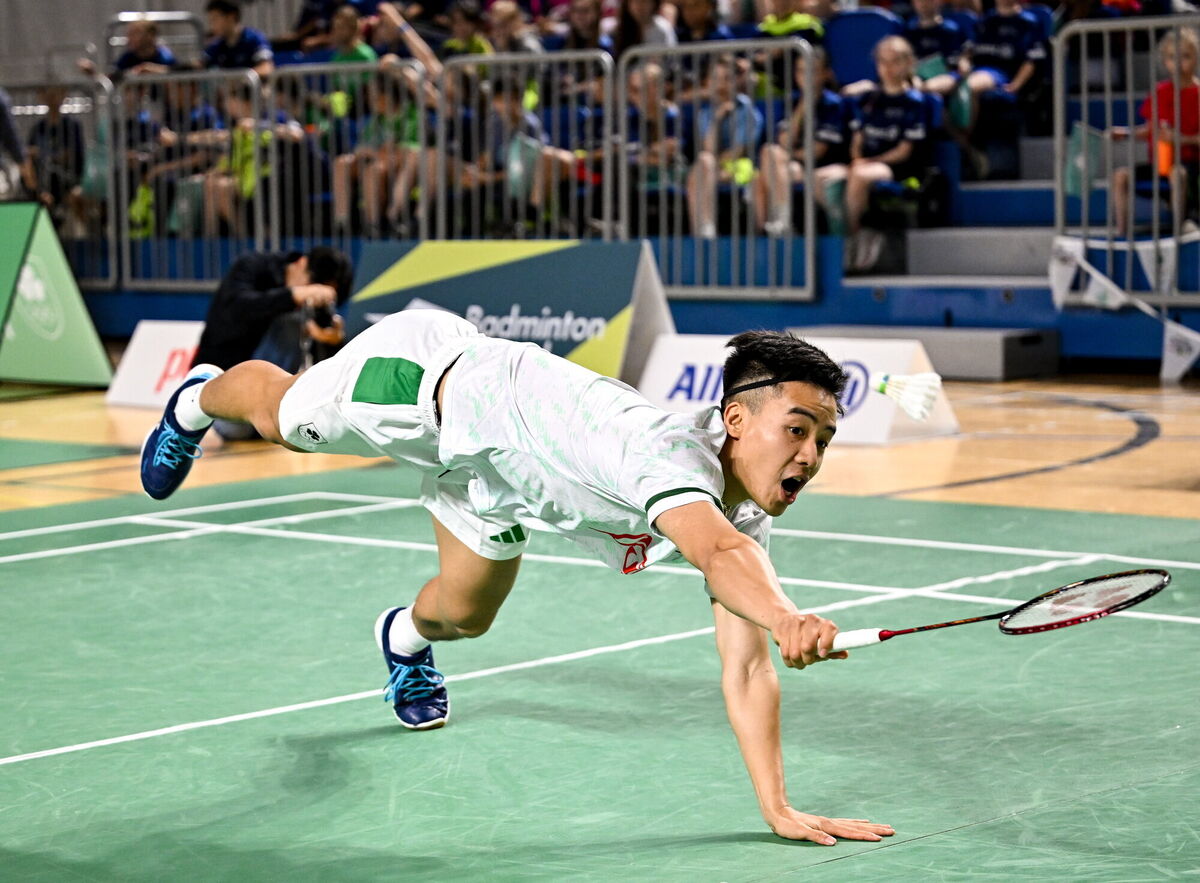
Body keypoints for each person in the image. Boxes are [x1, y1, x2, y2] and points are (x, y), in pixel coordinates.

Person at [139, 308, 896, 846]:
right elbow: (722, 559)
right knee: (283, 420)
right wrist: (788, 610)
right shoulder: (668, 459)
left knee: (466, 614)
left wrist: (777, 803)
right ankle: (195, 398)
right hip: (426, 392)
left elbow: (747, 667)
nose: (810, 453)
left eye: (824, 439)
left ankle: (402, 641)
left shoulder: (739, 518)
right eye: (796, 428)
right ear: (736, 420)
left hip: (497, 477)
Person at [189, 246, 352, 439]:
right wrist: (293, 296)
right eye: (312, 288)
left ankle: (275, 412)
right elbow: (235, 309)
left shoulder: (306, 312)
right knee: (291, 320)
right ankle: (266, 414)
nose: (312, 298)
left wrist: (332, 341)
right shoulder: (252, 267)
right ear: (301, 263)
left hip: (274, 406)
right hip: (222, 387)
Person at [820, 36, 928, 271]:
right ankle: (844, 233)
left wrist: (868, 161)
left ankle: (852, 239)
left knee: (859, 175)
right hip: (863, 162)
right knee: (821, 177)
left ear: (908, 63)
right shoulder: (869, 99)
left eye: (895, 62)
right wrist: (857, 155)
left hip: (894, 168)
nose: (888, 69)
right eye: (883, 62)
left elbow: (904, 151)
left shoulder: (915, 102)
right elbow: (858, 138)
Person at [1109, 29, 1200, 237]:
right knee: (1120, 175)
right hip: (1159, 163)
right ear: (1164, 61)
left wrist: (1180, 139)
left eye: (1185, 56)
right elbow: (1150, 129)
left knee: (1178, 173)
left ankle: (1180, 228)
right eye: (1171, 57)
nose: (1178, 63)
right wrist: (1125, 133)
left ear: (1195, 58)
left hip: (1189, 163)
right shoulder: (1159, 91)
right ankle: (1122, 232)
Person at [755, 48, 852, 236]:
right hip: (795, 167)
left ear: (826, 74)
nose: (806, 77)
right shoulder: (791, 102)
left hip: (824, 166)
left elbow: (816, 152)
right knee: (764, 166)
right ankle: (775, 231)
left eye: (813, 71)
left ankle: (780, 225)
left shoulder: (834, 105)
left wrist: (789, 155)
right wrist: (802, 108)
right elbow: (784, 141)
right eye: (800, 71)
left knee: (771, 161)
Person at [203, 0, 276, 78]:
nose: (212, 26)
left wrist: (241, 79)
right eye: (210, 21)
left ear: (231, 17)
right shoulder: (216, 46)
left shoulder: (254, 39)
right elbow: (200, 64)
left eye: (215, 19)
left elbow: (266, 68)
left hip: (254, 89)